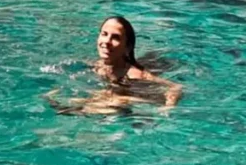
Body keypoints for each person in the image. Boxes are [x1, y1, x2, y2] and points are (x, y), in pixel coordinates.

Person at [47, 16, 182, 115]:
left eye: (115, 37)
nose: (106, 41)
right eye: (104, 34)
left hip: (130, 99)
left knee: (115, 101)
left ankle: (80, 111)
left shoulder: (136, 74)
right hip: (111, 94)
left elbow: (176, 87)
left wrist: (167, 109)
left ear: (127, 47)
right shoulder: (95, 65)